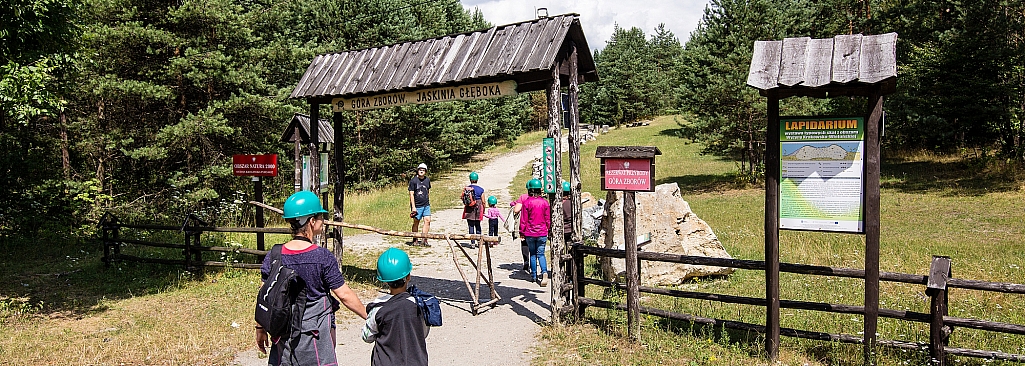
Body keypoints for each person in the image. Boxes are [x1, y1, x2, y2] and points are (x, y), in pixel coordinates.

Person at [256, 191, 368, 365]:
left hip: (284, 335)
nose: (323, 221)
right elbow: (344, 295)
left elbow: (265, 295)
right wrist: (370, 318)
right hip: (316, 335)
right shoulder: (321, 256)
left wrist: (260, 327)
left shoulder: (275, 254)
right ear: (311, 221)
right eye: (320, 217)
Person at [362, 248, 429, 366]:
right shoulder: (419, 304)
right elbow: (423, 333)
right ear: (408, 276)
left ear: (385, 281)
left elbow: (367, 336)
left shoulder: (378, 307)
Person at [514, 178, 551, 286]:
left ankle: (534, 276)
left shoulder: (526, 203)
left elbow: (524, 220)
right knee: (541, 254)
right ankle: (544, 272)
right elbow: (547, 218)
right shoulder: (545, 203)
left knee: (533, 254)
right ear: (540, 190)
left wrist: (522, 231)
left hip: (530, 233)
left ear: (530, 190)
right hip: (542, 232)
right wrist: (548, 229)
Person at [408, 163, 431, 246]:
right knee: (416, 222)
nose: (421, 171)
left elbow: (428, 191)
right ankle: (415, 239)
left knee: (427, 221)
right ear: (418, 171)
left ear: (425, 171)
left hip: (426, 205)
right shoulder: (413, 181)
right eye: (420, 170)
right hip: (417, 206)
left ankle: (424, 239)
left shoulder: (427, 180)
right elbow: (411, 194)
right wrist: (413, 207)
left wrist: (428, 200)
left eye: (423, 170)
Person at [462, 172, 485, 247]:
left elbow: (463, 198)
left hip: (469, 208)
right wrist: (483, 209)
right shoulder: (481, 189)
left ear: (470, 179)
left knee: (471, 225)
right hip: (478, 208)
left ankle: (472, 243)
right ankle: (479, 241)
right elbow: (483, 201)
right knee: (477, 225)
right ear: (477, 179)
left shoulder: (466, 189)